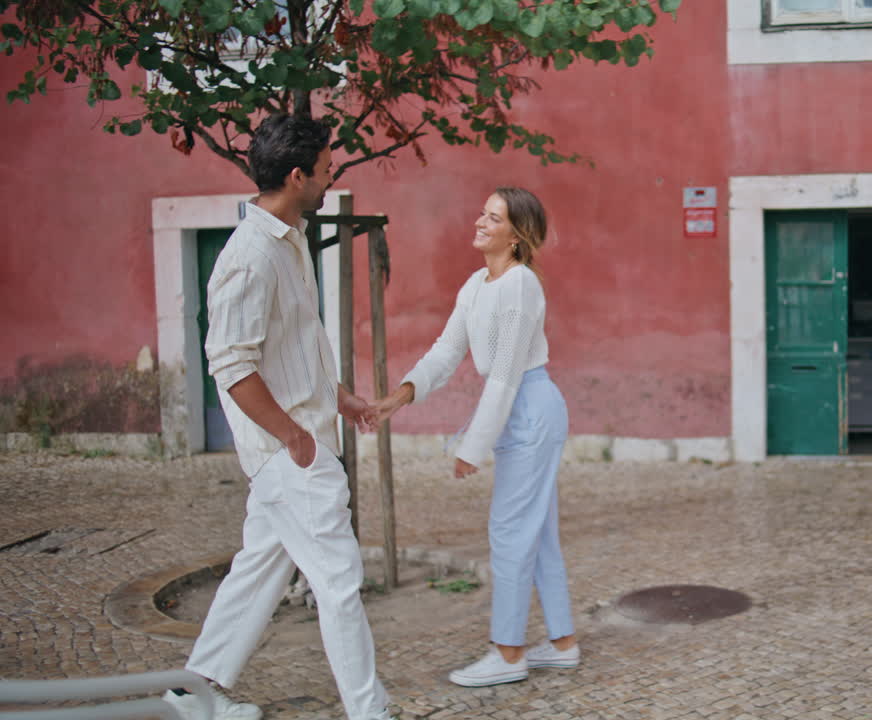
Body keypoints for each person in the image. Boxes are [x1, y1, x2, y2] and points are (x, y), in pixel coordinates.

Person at [164, 114, 396, 720]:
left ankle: (190, 696)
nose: (329, 176)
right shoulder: (248, 257)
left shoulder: (287, 238)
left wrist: (337, 393)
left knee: (258, 573)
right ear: (298, 176)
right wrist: (294, 435)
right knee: (341, 583)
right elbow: (231, 365)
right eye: (324, 169)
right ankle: (370, 712)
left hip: (299, 439)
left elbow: (294, 344)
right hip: (292, 452)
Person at [371, 187, 578, 687]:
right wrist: (399, 396)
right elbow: (446, 350)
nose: (480, 222)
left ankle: (508, 655)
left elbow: (505, 376)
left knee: (509, 532)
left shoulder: (521, 284)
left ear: (515, 237)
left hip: (530, 406)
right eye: (482, 212)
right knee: (537, 531)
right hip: (520, 408)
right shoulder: (477, 284)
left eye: (494, 217)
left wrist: (471, 449)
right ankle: (563, 643)